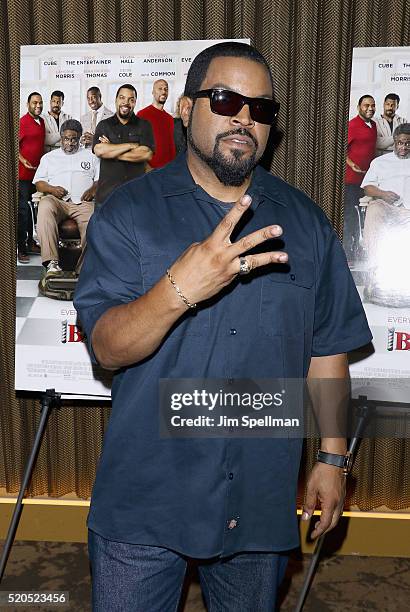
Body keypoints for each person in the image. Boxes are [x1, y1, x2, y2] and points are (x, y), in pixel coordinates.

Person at [74, 42, 372, 611]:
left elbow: (327, 349)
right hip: (145, 499)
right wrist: (179, 289)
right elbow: (107, 348)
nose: (244, 118)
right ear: (186, 109)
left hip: (257, 501)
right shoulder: (128, 212)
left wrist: (333, 458)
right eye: (225, 99)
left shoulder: (305, 223)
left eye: (260, 109)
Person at [33, 119, 99, 278]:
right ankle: (52, 264)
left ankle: (84, 269)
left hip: (83, 202)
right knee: (45, 204)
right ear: (61, 138)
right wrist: (51, 189)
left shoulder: (91, 156)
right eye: (66, 139)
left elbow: (99, 180)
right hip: (58, 202)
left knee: (94, 220)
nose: (70, 143)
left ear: (80, 138)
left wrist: (92, 189)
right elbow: (39, 183)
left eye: (74, 139)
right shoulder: (49, 158)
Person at [361, 123, 410, 297]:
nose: (403, 147)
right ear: (394, 142)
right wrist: (382, 194)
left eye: (407, 143)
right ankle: (373, 274)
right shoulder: (380, 162)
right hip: (387, 207)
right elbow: (367, 188)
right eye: (400, 143)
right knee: (374, 208)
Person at [92, 84, 154, 206]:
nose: (126, 102)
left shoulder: (144, 125)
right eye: (122, 98)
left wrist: (111, 150)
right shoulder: (104, 125)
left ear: (135, 102)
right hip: (106, 197)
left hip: (136, 197)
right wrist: (131, 145)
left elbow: (146, 154)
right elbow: (100, 150)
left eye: (131, 99)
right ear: (116, 100)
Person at [344, 94, 377, 260]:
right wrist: (351, 164)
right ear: (359, 107)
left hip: (366, 181)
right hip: (350, 181)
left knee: (364, 214)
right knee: (350, 214)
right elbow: (340, 149)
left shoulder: (374, 126)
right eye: (366, 106)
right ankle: (350, 250)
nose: (370, 109)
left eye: (372, 105)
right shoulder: (352, 125)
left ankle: (359, 247)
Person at [18, 92, 45, 263]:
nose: (38, 105)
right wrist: (23, 160)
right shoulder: (22, 122)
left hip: (37, 175)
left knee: (33, 210)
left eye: (40, 103)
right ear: (28, 104)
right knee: (22, 212)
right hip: (22, 176)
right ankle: (21, 248)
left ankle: (30, 242)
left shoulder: (41, 121)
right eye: (35, 102)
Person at [137, 79, 176, 168]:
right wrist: (147, 168)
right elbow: (137, 146)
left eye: (166, 89)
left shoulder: (169, 119)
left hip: (168, 171)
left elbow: (171, 147)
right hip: (150, 172)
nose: (163, 91)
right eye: (160, 89)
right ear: (153, 92)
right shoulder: (142, 115)